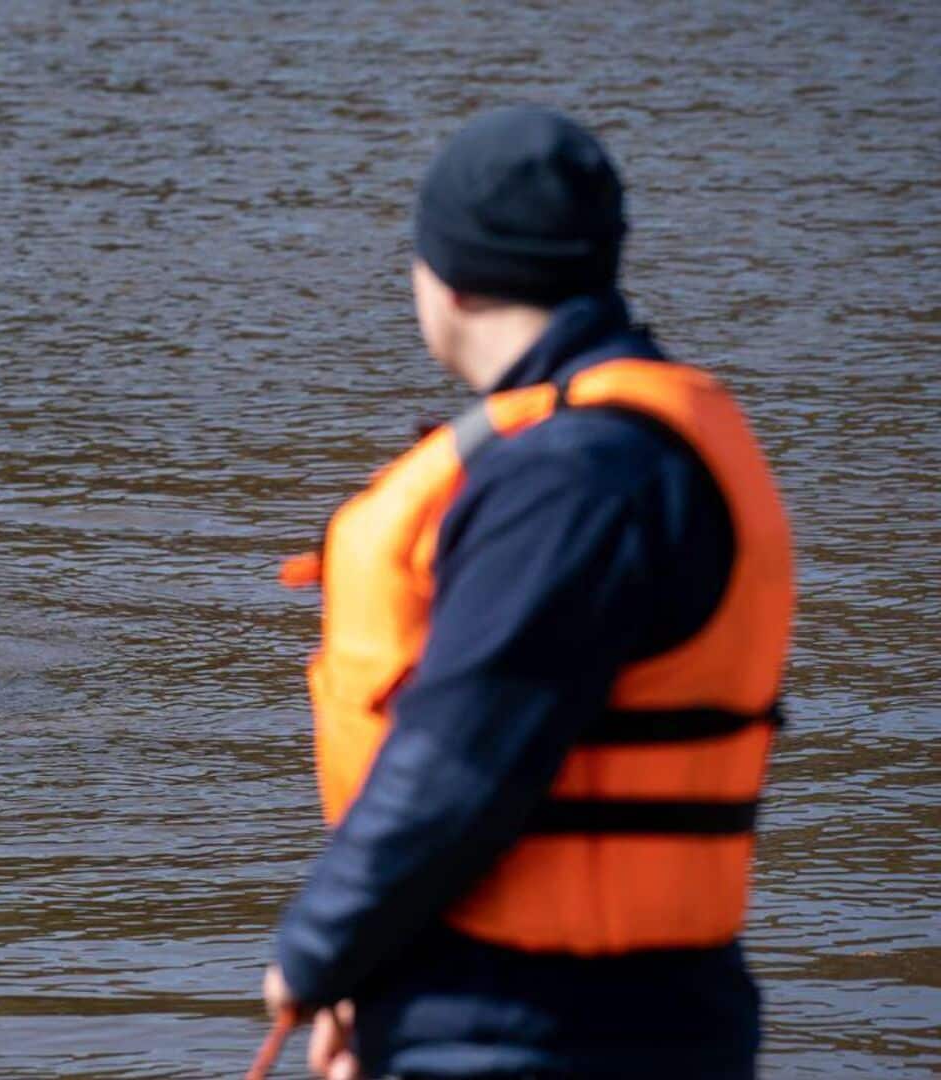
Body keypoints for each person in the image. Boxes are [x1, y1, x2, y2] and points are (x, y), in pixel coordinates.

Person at [260, 107, 793, 1079]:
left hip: (538, 1028)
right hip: (612, 1012)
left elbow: (463, 757)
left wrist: (318, 953)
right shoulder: (624, 443)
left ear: (449, 279)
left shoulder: (575, 474)